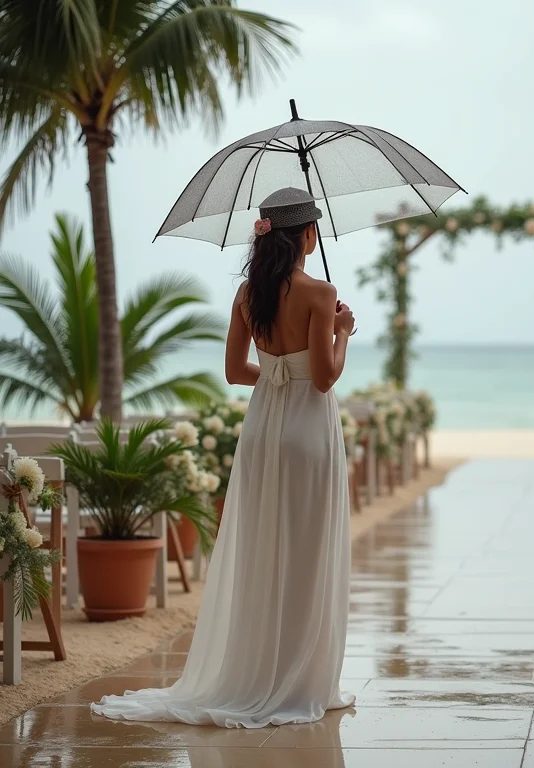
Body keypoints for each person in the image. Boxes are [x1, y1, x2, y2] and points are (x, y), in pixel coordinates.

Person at [92, 187, 357, 728]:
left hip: (263, 429)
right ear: (306, 235)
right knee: (307, 551)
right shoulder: (322, 292)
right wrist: (342, 332)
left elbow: (237, 372)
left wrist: (280, 375)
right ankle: (300, 677)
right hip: (309, 429)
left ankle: (255, 670)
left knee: (265, 547)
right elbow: (327, 379)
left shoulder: (246, 294)